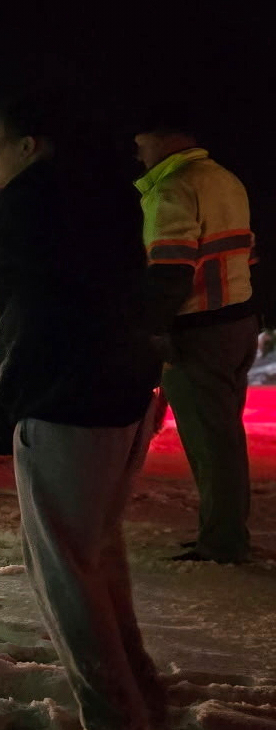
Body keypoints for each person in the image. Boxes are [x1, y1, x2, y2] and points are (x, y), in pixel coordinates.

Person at [0, 95, 167, 730]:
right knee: (96, 553)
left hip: (66, 398)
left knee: (62, 564)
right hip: (123, 389)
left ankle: (117, 729)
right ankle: (142, 695)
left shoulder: (31, 202)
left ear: (31, 144)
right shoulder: (111, 193)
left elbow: (27, 316)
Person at [136, 113, 257, 563]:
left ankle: (223, 542)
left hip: (199, 329)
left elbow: (170, 271)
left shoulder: (172, 188)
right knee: (224, 438)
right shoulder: (225, 180)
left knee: (211, 444)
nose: (137, 150)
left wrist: (151, 327)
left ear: (168, 138)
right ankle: (224, 532)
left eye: (142, 140)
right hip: (237, 321)